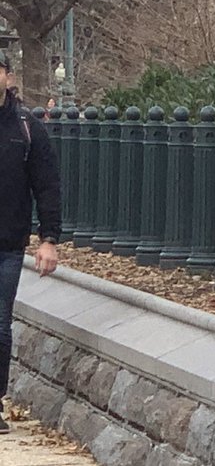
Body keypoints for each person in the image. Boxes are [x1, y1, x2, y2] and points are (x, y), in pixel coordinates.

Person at [0, 52, 61, 433]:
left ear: (8, 77)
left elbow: (48, 185)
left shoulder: (26, 128)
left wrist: (49, 239)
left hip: (7, 243)